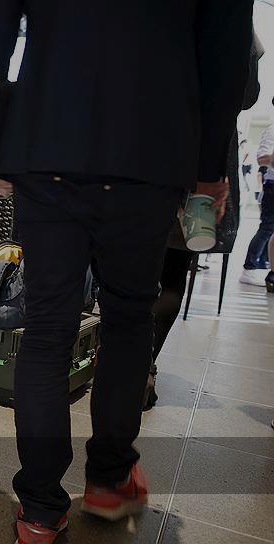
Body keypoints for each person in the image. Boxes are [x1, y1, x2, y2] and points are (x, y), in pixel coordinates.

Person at [0, 2, 253, 542]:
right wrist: (208, 169)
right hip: (149, 156)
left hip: (45, 149)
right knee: (127, 321)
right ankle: (109, 481)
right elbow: (226, 56)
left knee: (47, 329)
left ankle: (39, 512)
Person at [146, 31, 263, 411]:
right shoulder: (236, 28)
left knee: (127, 265)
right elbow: (246, 96)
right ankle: (142, 369)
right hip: (204, 162)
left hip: (145, 149)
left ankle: (123, 361)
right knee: (174, 269)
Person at [243, 115, 274, 286]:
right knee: (267, 228)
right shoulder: (272, 130)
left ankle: (265, 267)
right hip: (272, 185)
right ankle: (249, 268)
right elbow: (261, 158)